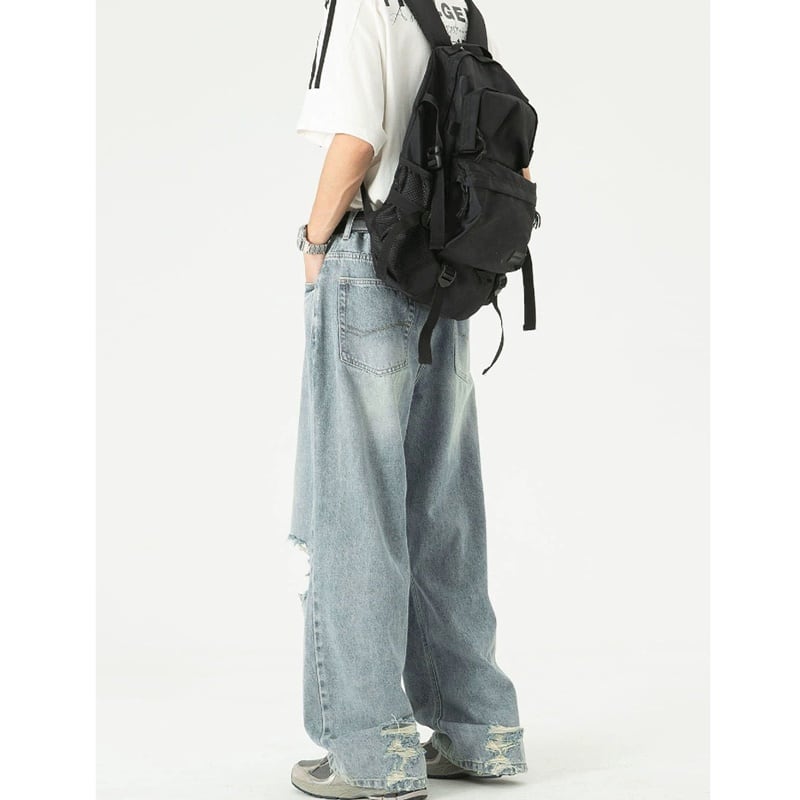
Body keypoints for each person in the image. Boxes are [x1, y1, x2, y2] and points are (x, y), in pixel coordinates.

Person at [288, 2, 529, 797]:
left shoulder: (364, 5)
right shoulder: (457, 10)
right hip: (445, 269)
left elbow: (357, 138)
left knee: (355, 507)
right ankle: (482, 731)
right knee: (442, 505)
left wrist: (314, 240)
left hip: (369, 257)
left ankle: (370, 749)